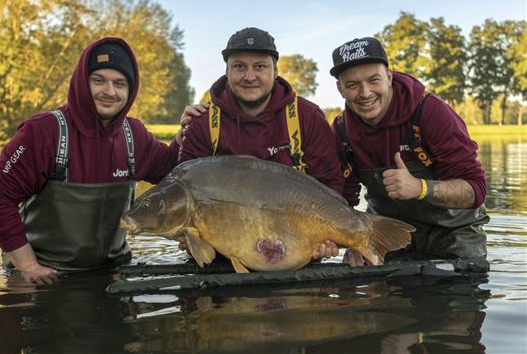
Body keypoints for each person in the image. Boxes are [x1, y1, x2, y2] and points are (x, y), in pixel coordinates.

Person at [0, 37, 182, 284]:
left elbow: (177, 174)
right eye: (98, 81)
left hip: (113, 273)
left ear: (131, 91)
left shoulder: (135, 135)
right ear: (81, 83)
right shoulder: (43, 131)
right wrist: (28, 265)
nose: (109, 92)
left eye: (119, 84)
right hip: (44, 275)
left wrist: (191, 131)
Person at [178, 27, 345, 259]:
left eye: (260, 66)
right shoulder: (203, 122)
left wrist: (326, 238)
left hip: (296, 245)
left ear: (275, 70)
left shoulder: (306, 116)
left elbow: (332, 182)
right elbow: (183, 187)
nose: (249, 76)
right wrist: (190, 236)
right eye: (239, 66)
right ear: (226, 71)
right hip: (220, 252)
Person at [328, 37, 489, 266]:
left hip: (452, 232)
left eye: (374, 80)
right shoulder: (341, 130)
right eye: (352, 84)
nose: (365, 93)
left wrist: (420, 188)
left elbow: (476, 190)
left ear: (389, 77)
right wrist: (353, 240)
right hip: (386, 230)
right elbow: (343, 198)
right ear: (340, 88)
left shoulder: (431, 112)